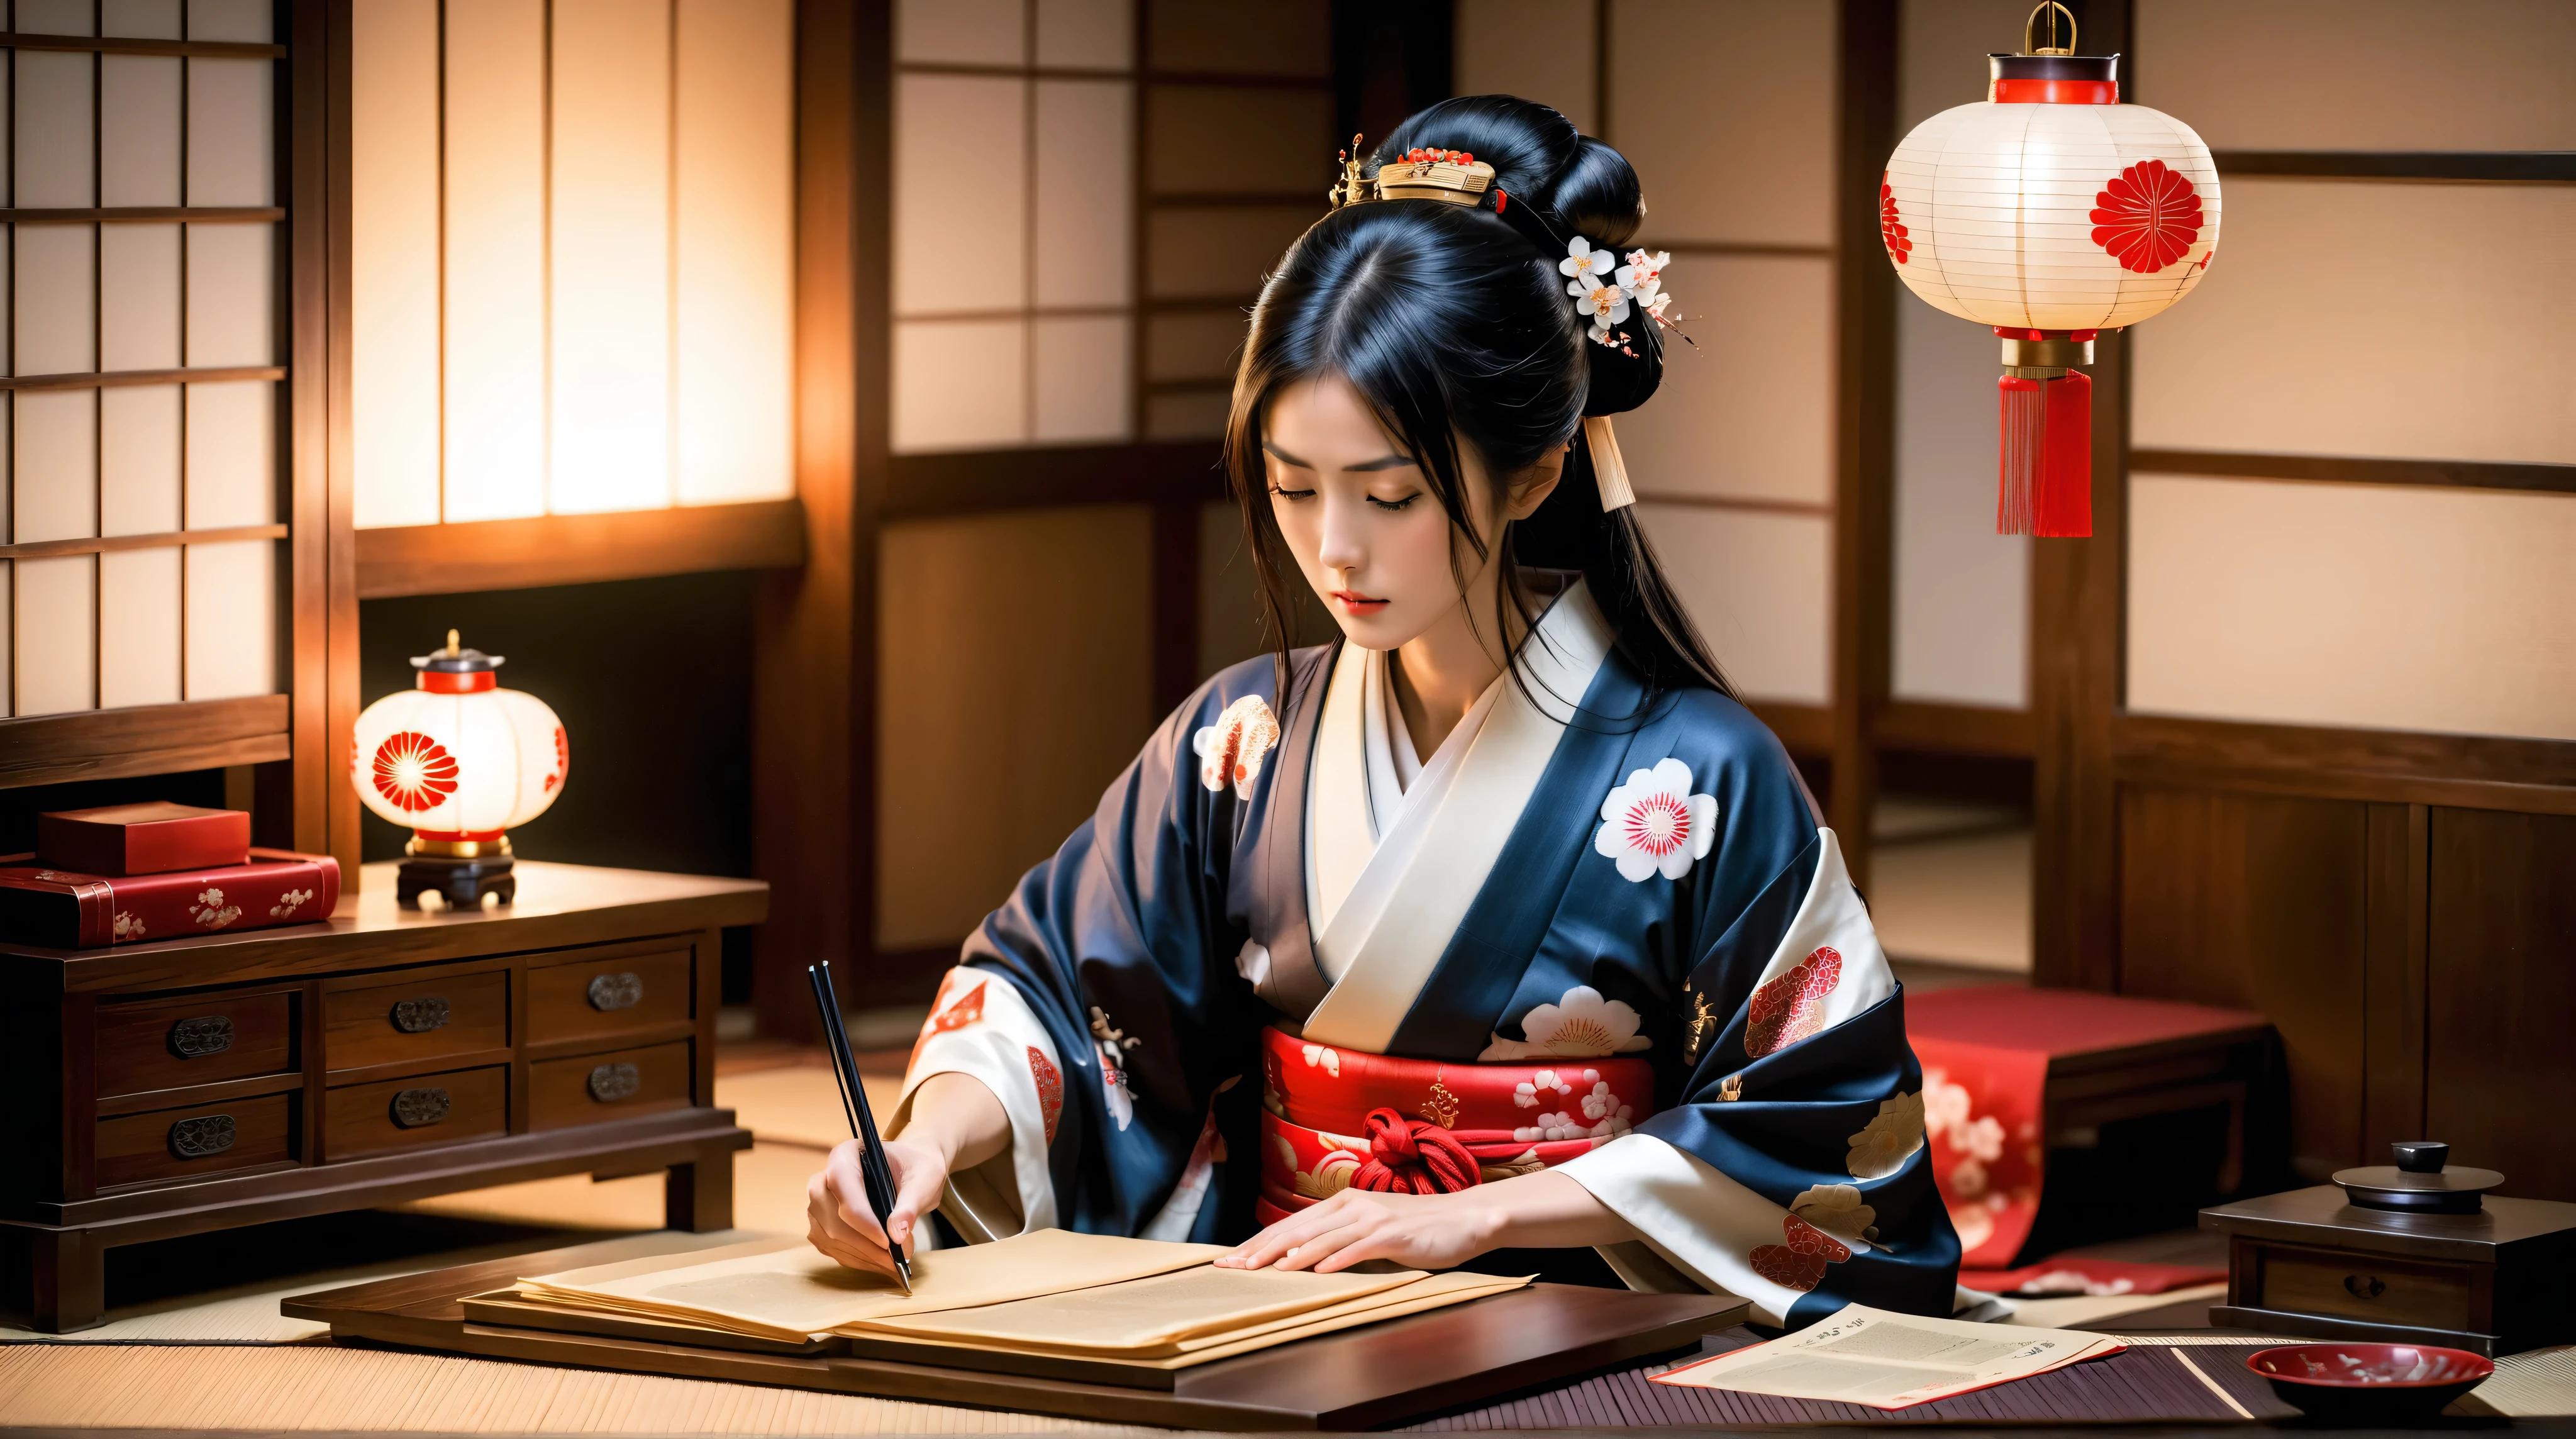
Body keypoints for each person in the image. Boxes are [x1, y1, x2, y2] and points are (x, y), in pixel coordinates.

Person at [808, 95, 1959, 1327]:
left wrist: (1485, 1210)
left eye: (1389, 493)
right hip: (1281, 1312)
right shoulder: (1233, 745)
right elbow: (1063, 999)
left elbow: (1818, 1116)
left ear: (1535, 469)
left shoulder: (1702, 779)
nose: (1331, 547)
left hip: (1584, 1323)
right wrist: (928, 1140)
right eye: (1291, 488)